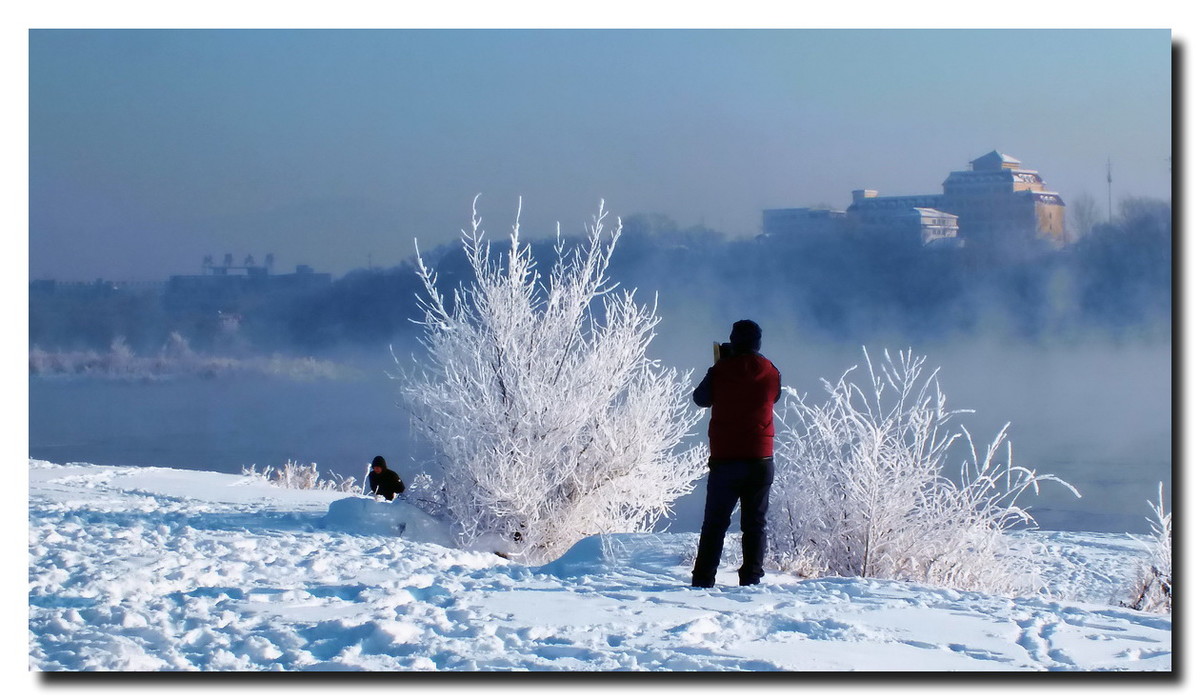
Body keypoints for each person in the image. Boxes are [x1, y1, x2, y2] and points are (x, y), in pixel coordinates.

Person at [690, 319, 782, 588]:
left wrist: (721, 364)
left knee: (715, 524)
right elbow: (774, 396)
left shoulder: (720, 370)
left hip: (726, 458)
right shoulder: (770, 370)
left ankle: (703, 579)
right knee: (755, 524)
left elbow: (700, 399)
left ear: (733, 341)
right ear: (758, 343)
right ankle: (751, 580)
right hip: (761, 459)